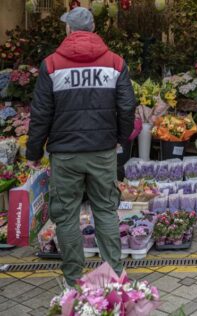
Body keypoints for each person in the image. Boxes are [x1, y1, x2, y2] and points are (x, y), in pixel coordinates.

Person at [26, 7, 136, 287]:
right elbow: (126, 107)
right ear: (94, 27)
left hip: (65, 154)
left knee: (66, 215)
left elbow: (40, 114)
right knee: (106, 211)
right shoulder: (115, 63)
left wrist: (34, 153)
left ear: (69, 30)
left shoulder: (51, 65)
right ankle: (115, 275)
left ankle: (74, 278)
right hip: (102, 151)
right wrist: (122, 142)